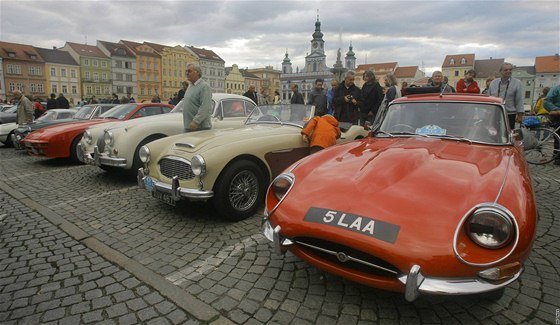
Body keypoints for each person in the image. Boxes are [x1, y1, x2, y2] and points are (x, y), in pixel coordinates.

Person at [488, 62, 524, 128]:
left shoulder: (517, 83)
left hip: (509, 114)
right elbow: (489, 98)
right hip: (495, 113)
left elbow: (519, 100)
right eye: (506, 70)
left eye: (510, 70)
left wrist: (520, 116)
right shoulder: (493, 83)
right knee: (493, 133)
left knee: (508, 135)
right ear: (500, 71)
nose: (508, 71)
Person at [183, 63, 213, 132]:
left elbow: (205, 106)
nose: (187, 73)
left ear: (197, 73)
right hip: (189, 126)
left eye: (189, 71)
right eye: (186, 71)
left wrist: (196, 121)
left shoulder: (204, 86)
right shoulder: (190, 86)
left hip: (200, 127)